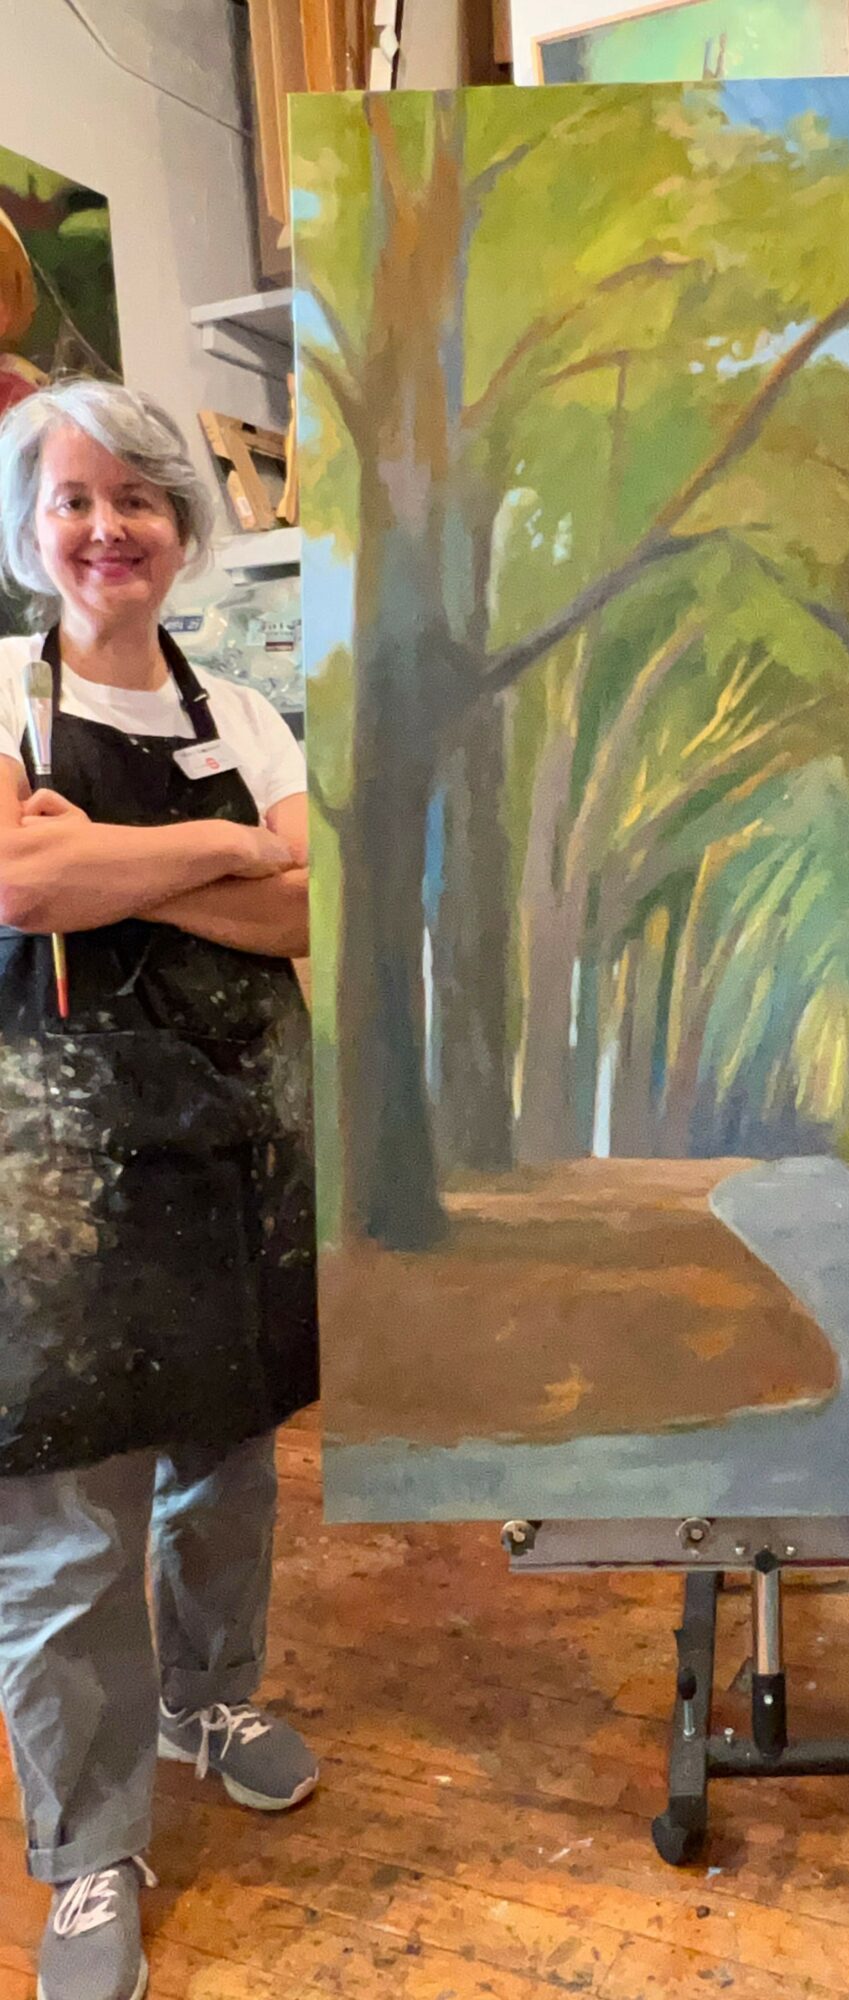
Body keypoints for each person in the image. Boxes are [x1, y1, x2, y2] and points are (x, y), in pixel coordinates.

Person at [0, 378, 320, 2000]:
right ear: (31, 527)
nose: (106, 527)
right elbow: (14, 881)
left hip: (237, 1150)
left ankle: (211, 1700)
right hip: (53, 1172)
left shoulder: (247, 712)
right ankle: (88, 1848)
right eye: (72, 497)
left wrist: (123, 869)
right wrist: (231, 850)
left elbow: (307, 911)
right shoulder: (2, 690)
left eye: (136, 497)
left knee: (227, 1465)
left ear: (182, 527)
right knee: (67, 1521)